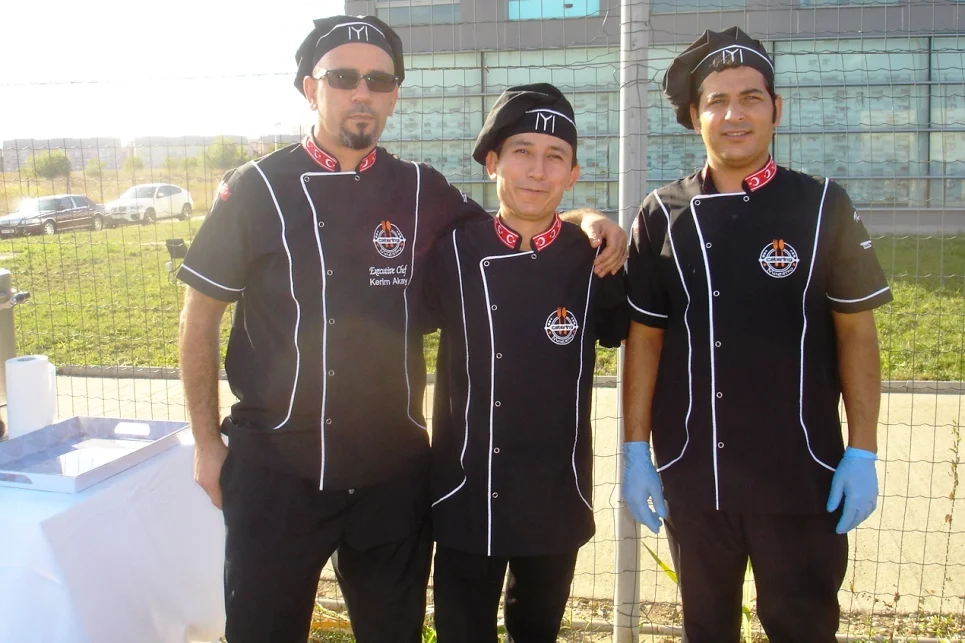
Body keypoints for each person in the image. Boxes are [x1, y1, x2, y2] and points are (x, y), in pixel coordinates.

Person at [176, 15, 627, 643]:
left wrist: (584, 218)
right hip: (277, 468)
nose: (362, 92)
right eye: (344, 77)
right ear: (311, 88)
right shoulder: (256, 188)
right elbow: (199, 316)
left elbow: (518, 223)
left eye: (379, 81)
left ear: (394, 96)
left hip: (390, 476)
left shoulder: (421, 189)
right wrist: (206, 443)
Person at [621, 27, 891, 643]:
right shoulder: (661, 213)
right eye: (716, 101)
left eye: (751, 97)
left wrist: (862, 450)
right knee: (705, 630)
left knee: (803, 628)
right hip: (695, 474)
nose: (734, 114)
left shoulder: (823, 205)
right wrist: (637, 451)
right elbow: (646, 339)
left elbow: (857, 334)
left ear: (776, 109)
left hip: (801, 474)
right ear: (695, 117)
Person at [415, 83, 628, 643]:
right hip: (464, 493)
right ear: (492, 163)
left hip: (556, 496)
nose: (537, 170)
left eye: (555, 157)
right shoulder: (451, 249)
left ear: (573, 174)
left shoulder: (595, 259)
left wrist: (595, 221)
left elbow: (633, 336)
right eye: (522, 152)